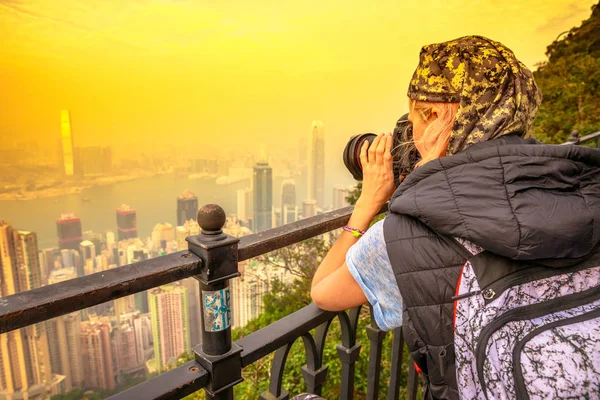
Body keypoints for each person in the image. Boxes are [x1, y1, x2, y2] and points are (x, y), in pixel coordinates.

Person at [311, 35, 600, 399]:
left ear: (434, 115)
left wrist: (368, 202)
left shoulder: (407, 233)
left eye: (415, 118)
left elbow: (322, 292)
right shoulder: (582, 185)